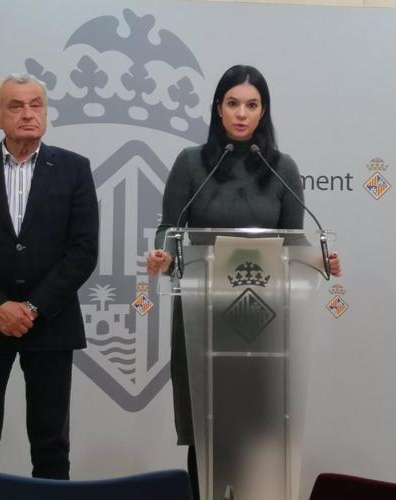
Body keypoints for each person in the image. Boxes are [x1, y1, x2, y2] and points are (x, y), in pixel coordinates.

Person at [146, 65, 342, 499]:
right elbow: (168, 230)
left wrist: (320, 259)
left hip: (261, 321)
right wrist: (164, 253)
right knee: (206, 434)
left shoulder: (281, 168)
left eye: (252, 105)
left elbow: (294, 243)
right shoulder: (191, 163)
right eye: (233, 103)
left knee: (255, 437)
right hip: (202, 315)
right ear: (218, 108)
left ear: (263, 112)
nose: (241, 113)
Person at [0, 73, 99, 479]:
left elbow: (83, 251)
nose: (28, 114)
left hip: (50, 322)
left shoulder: (74, 169)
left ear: (45, 112)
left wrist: (32, 307)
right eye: (16, 106)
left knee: (51, 445)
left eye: (36, 105)